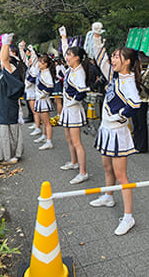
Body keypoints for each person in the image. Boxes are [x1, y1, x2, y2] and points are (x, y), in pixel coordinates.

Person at [90, 31, 142, 235]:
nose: (112, 59)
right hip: (106, 130)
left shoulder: (129, 82)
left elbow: (135, 104)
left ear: (127, 61)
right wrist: (96, 36)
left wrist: (119, 117)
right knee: (106, 166)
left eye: (116, 57)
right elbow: (99, 56)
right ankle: (108, 196)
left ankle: (129, 217)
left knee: (122, 176)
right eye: (112, 56)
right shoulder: (115, 75)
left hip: (118, 133)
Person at [59, 26, 91, 184]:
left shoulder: (79, 72)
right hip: (67, 109)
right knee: (68, 138)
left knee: (77, 141)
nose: (67, 57)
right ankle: (73, 162)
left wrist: (71, 102)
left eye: (70, 55)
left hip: (74, 111)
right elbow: (66, 50)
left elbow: (82, 93)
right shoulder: (71, 69)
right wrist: (64, 37)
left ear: (77, 58)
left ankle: (83, 172)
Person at [0, 33, 25, 165]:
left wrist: (6, 43)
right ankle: (4, 155)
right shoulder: (4, 72)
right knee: (3, 126)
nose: (0, 58)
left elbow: (4, 60)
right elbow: (3, 60)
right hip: (3, 106)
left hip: (7, 107)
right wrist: (3, 45)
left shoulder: (11, 70)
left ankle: (9, 156)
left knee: (6, 127)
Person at [33, 54, 56, 150]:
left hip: (44, 100)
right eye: (38, 62)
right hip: (40, 99)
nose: (39, 64)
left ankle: (49, 141)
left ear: (46, 64)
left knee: (47, 122)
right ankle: (44, 135)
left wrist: (43, 94)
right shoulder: (41, 72)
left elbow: (50, 86)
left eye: (41, 62)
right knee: (43, 120)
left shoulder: (47, 74)